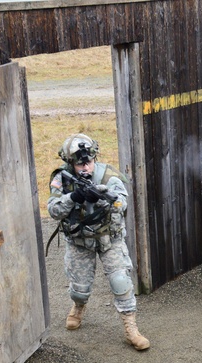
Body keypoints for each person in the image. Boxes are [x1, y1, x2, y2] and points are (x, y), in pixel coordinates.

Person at [47, 133, 149, 350]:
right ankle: (78, 306)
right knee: (79, 288)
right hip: (79, 242)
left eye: (89, 162)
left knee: (121, 282)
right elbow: (53, 210)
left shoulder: (108, 175)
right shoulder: (61, 178)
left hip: (108, 239)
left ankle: (131, 328)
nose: (86, 167)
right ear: (70, 163)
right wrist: (74, 198)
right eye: (80, 163)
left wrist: (106, 200)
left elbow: (122, 203)